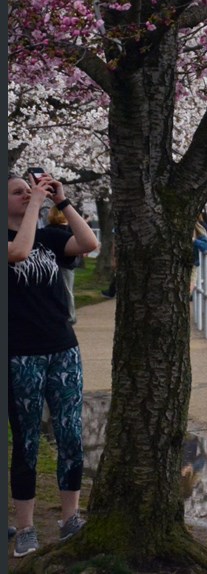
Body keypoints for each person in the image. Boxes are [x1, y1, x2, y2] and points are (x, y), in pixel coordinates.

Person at [8, 170, 100, 556]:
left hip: (63, 348)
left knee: (69, 435)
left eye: (30, 190)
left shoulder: (49, 236)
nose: (28, 195)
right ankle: (26, 527)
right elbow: (18, 253)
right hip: (20, 352)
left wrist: (61, 201)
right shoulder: (21, 238)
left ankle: (69, 518)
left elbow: (89, 243)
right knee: (27, 441)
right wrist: (35, 209)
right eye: (18, 192)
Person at [46, 205, 81, 327]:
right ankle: (70, 315)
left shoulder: (48, 229)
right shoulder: (69, 230)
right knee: (67, 290)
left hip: (54, 263)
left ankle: (68, 315)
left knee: (61, 290)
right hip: (65, 264)